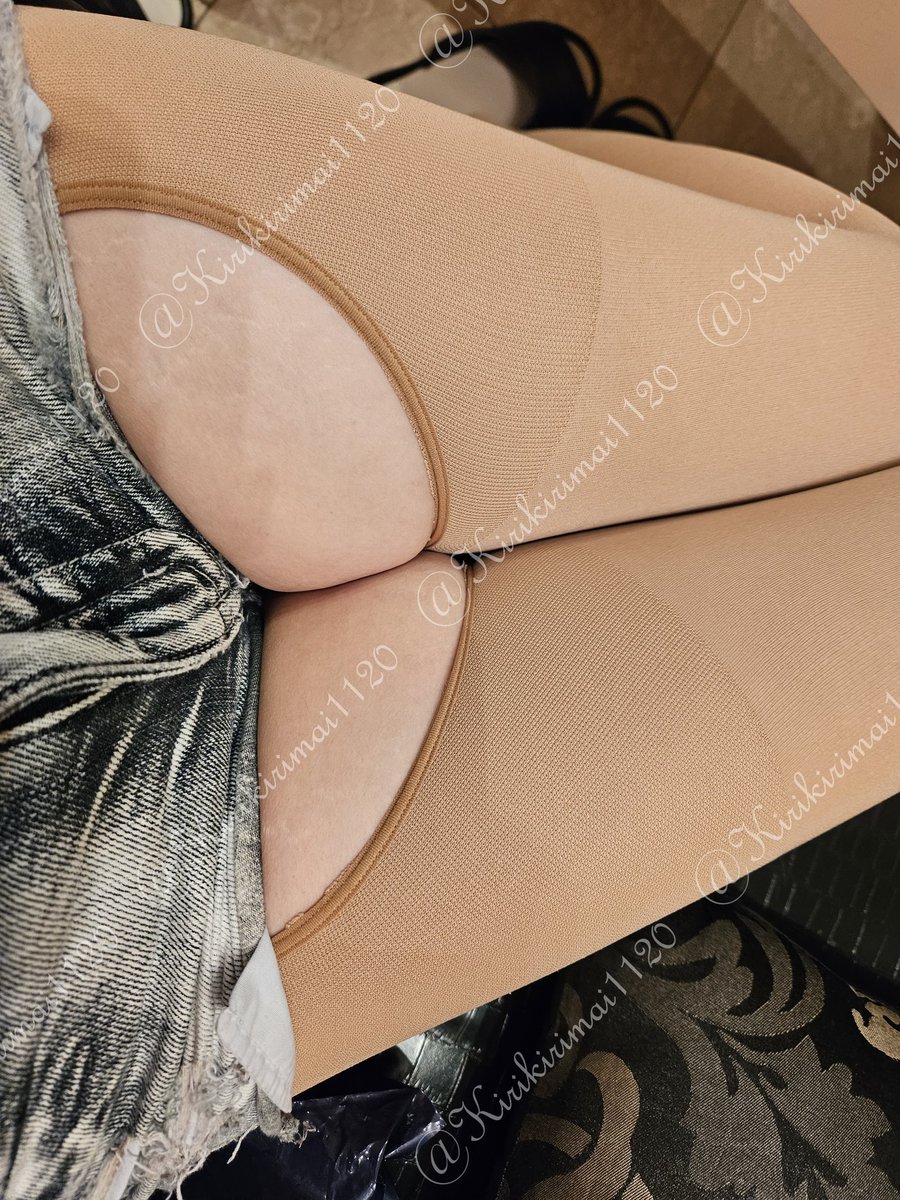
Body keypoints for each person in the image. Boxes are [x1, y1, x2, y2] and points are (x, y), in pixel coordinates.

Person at [2, 3, 899, 1197]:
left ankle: (473, 141)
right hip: (87, 990)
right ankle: (473, 132)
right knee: (838, 319)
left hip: (77, 994)